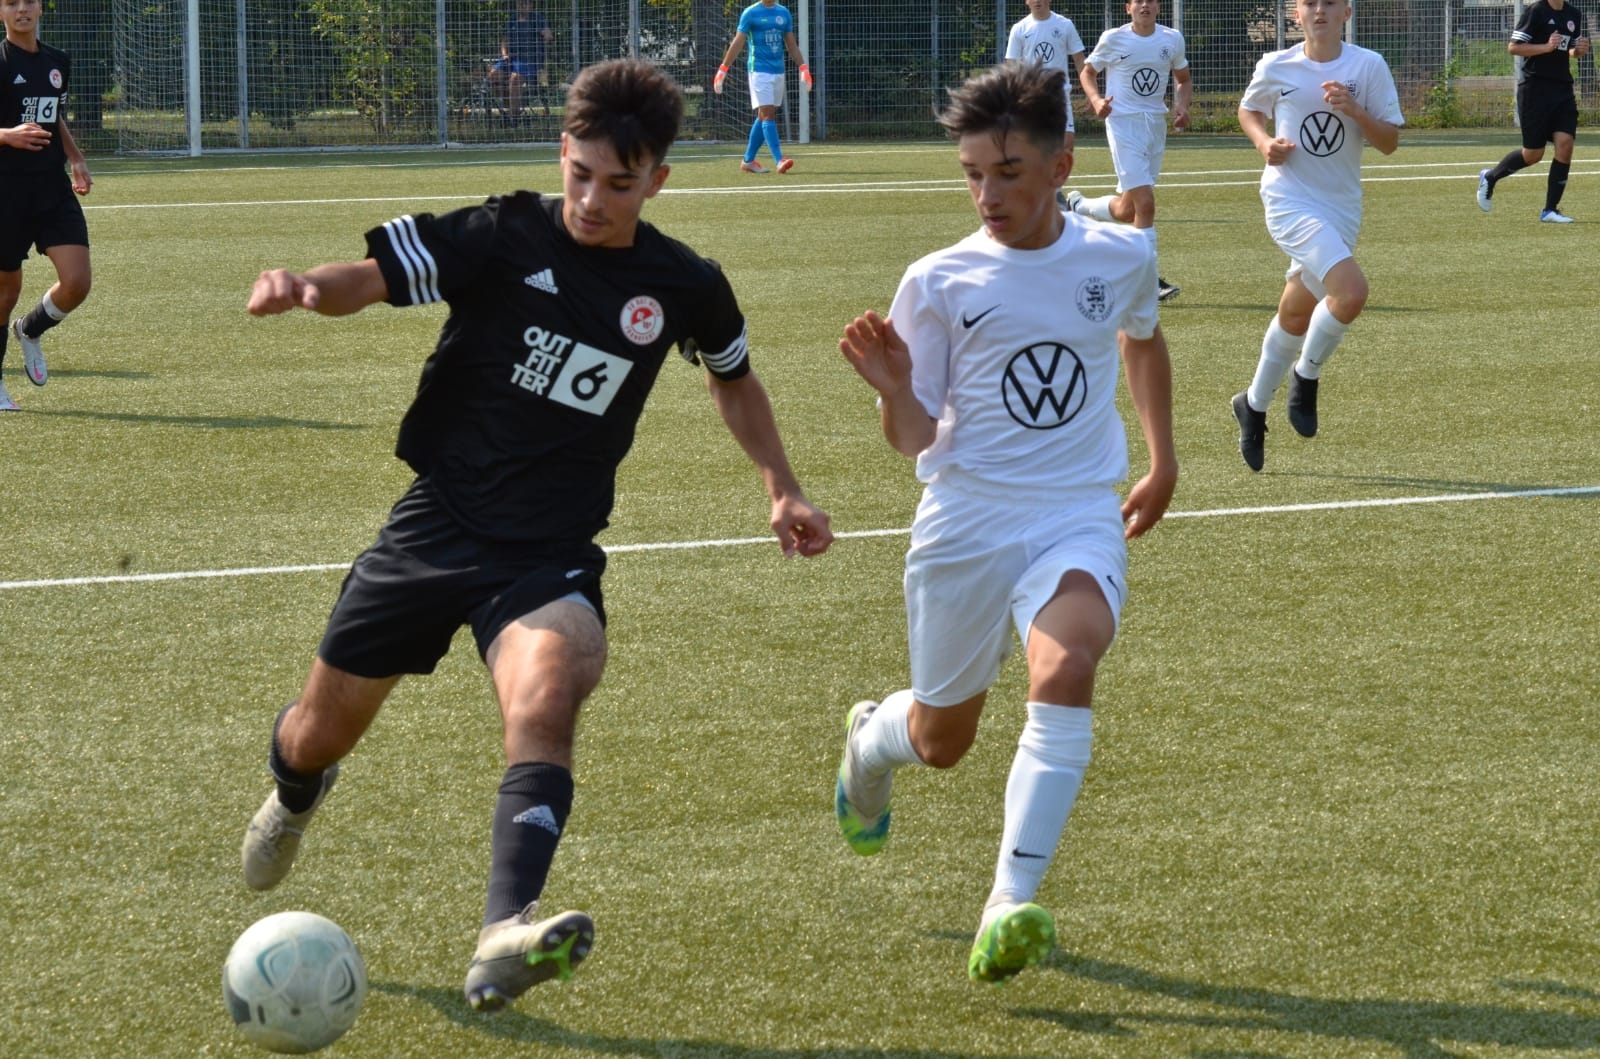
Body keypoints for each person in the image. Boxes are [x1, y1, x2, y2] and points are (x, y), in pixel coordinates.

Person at [239, 58, 833, 1014]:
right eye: (581, 175)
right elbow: (375, 277)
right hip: (435, 526)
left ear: (658, 181)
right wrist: (307, 285)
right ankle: (298, 791)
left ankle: (504, 929)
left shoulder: (683, 284)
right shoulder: (503, 233)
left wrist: (783, 486)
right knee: (316, 734)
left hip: (546, 553)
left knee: (551, 688)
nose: (594, 200)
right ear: (562, 154)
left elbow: (732, 378)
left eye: (620, 184)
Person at [834, 61, 1176, 986]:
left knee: (1066, 666)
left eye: (1009, 172)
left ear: (1062, 165)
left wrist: (1162, 457)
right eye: (973, 175)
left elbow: (1142, 337)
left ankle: (1008, 901)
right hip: (966, 520)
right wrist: (895, 392)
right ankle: (870, 741)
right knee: (941, 741)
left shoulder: (1121, 255)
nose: (989, 194)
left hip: (1076, 510)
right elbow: (914, 439)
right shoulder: (938, 280)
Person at [1229, 0, 1402, 472]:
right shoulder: (1276, 64)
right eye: (1309, 3)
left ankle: (1253, 404)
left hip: (1341, 207)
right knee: (1351, 292)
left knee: (1295, 310)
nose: (1319, 10)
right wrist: (1265, 143)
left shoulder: (1368, 66)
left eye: (1329, 3)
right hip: (1289, 200)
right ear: (1296, 14)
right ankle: (1306, 377)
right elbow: (1249, 111)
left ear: (1347, 12)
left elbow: (1389, 142)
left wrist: (1356, 111)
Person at [0, 0, 92, 412]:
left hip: (52, 187)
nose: (21, 9)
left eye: (28, 2)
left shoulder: (57, 61)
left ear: (40, 8)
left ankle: (31, 329)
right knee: (6, 292)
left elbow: (53, 116)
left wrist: (75, 158)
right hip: (6, 191)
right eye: (11, 3)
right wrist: (7, 135)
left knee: (77, 282)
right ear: (0, 12)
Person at [1071, 0, 1191, 302]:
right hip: (1123, 123)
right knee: (1146, 205)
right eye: (1138, 1)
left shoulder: (1172, 39)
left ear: (1158, 7)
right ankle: (1147, 281)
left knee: (1128, 210)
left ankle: (1078, 207)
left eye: (1150, 1)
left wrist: (1182, 105)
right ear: (1128, 8)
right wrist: (1097, 100)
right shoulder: (1113, 38)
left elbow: (1183, 79)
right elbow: (1088, 72)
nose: (1145, 5)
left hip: (1155, 126)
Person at [1475, 0, 1589, 222]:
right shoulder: (1536, 11)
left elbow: (1570, 50)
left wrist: (1578, 51)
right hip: (1535, 90)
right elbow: (1514, 47)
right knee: (1533, 154)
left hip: (1562, 90)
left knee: (1565, 145)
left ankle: (1550, 210)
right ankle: (1490, 177)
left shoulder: (1574, 14)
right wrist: (1546, 47)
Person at [714, 0, 812, 174]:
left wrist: (803, 68)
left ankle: (748, 161)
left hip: (778, 71)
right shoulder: (750, 13)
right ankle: (779, 159)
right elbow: (738, 42)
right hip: (758, 71)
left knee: (765, 115)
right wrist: (723, 69)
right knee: (767, 113)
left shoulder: (783, 13)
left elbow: (791, 45)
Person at [1004, 0, 1089, 172]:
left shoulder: (1065, 25)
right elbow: (1011, 66)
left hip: (1059, 95)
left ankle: (1056, 186)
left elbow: (1079, 60)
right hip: (1031, 97)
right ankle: (1035, 184)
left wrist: (1090, 92)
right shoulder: (1019, 28)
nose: (1037, 1)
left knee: (1067, 144)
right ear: (1027, 1)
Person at [486, 0, 553, 122]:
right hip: (511, 59)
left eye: (526, 3)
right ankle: (511, 108)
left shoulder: (537, 18)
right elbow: (505, 40)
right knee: (492, 76)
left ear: (531, 5)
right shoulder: (512, 19)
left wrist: (546, 35)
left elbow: (548, 35)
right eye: (521, 3)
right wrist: (504, 54)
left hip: (529, 60)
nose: (523, 5)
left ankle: (513, 118)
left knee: (515, 79)